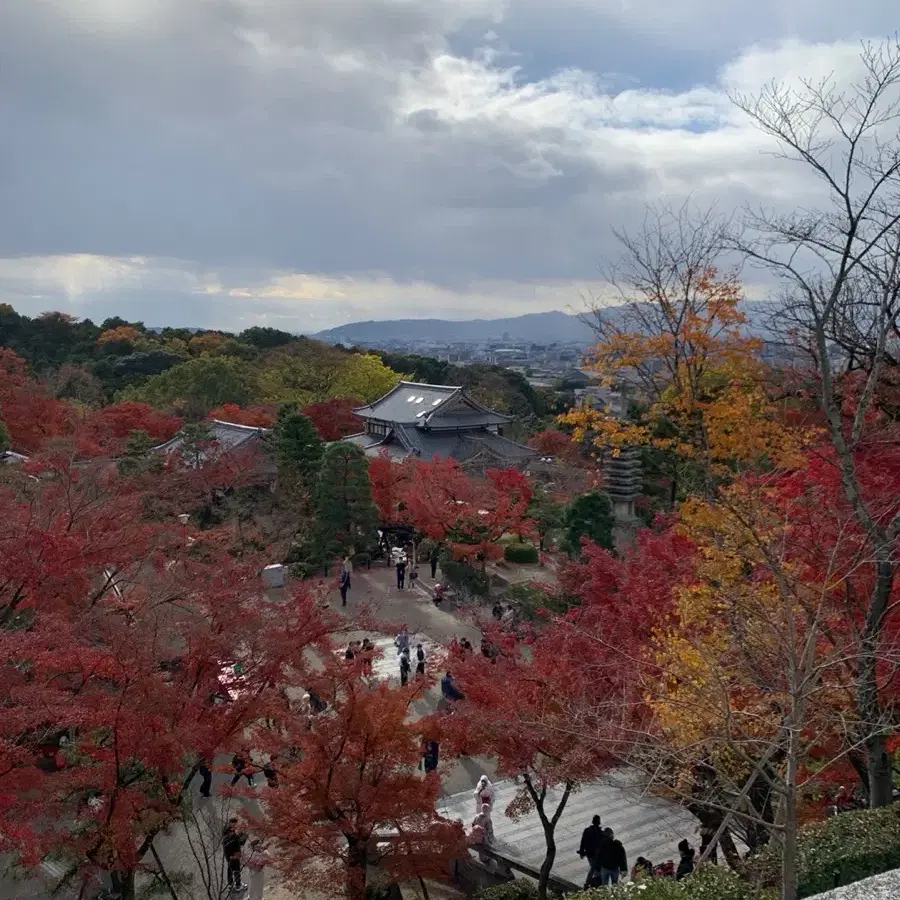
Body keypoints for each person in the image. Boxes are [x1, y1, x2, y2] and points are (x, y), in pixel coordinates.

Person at [222, 817, 247, 892]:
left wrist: (242, 836)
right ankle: (238, 885)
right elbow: (234, 842)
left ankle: (232, 884)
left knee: (231, 869)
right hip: (232, 854)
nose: (236, 826)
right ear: (230, 823)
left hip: (231, 854)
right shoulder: (229, 832)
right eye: (235, 824)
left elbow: (237, 842)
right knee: (236, 869)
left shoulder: (228, 831)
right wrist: (242, 835)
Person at [578, 815, 604, 887]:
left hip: (588, 853)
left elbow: (582, 842)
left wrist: (581, 851)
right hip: (595, 854)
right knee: (593, 868)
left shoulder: (587, 830)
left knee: (593, 867)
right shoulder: (600, 833)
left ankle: (592, 882)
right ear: (599, 822)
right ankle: (588, 883)